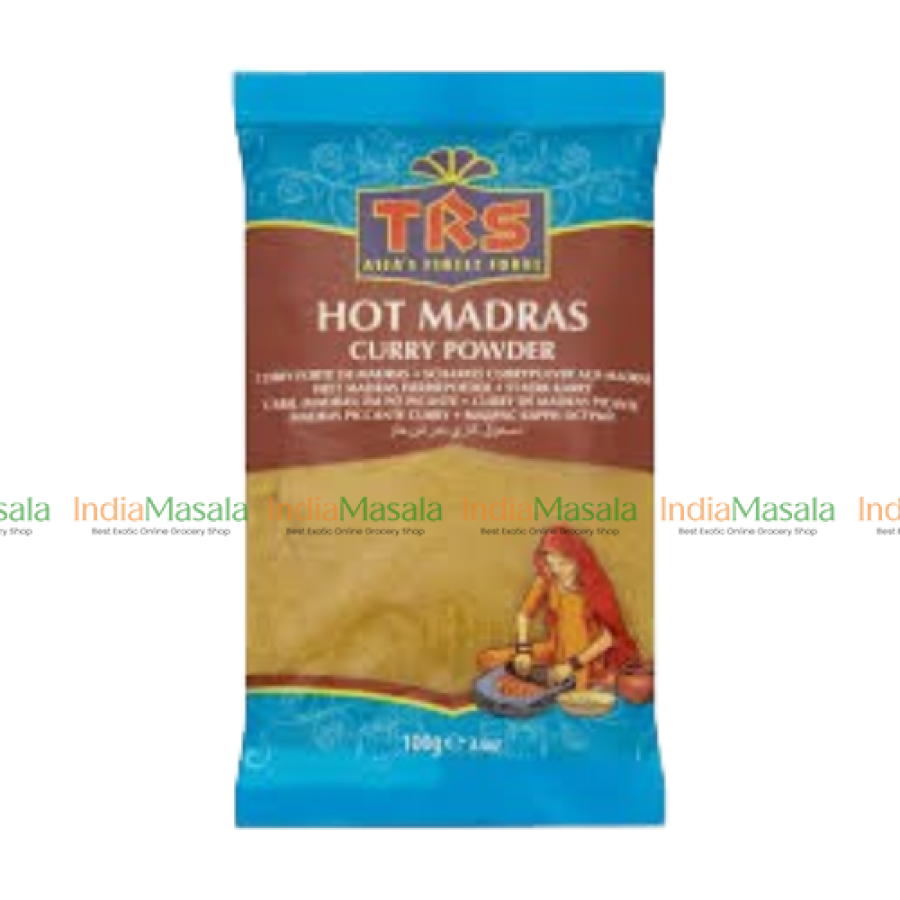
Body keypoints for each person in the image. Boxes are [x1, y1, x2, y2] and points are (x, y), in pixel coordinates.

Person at [477, 527, 640, 692]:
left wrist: (571, 665)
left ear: (579, 561)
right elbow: (524, 615)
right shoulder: (547, 580)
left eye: (563, 564)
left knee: (572, 690)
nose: (557, 570)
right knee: (489, 659)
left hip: (585, 658)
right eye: (551, 564)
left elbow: (610, 637)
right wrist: (522, 650)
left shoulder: (595, 587)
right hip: (555, 649)